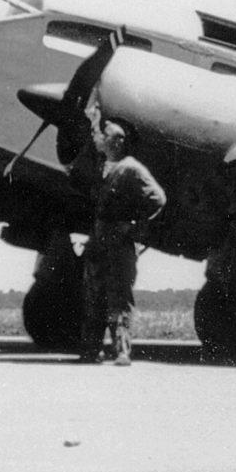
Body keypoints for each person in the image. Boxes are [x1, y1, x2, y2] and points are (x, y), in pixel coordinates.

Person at [80, 118, 166, 365]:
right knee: (94, 295)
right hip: (98, 241)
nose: (98, 138)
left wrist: (134, 225)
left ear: (117, 142)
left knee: (119, 297)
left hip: (119, 244)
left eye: (103, 134)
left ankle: (121, 351)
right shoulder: (101, 168)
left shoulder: (131, 168)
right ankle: (91, 350)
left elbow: (158, 198)